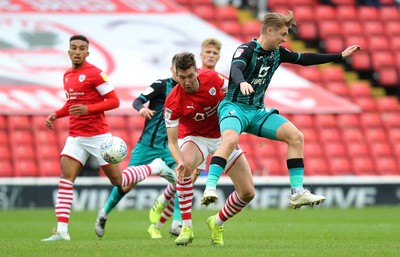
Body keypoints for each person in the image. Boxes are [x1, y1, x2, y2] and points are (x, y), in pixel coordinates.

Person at [201, 10, 362, 209]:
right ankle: (209, 188)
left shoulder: (278, 53)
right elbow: (236, 69)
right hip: (234, 107)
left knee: (296, 137)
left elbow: (305, 58)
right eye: (283, 34)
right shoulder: (246, 49)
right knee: (230, 139)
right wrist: (241, 82)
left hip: (257, 112)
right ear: (270, 31)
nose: (285, 39)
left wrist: (340, 55)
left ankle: (297, 193)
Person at [42, 35, 174, 242]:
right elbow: (71, 104)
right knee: (66, 179)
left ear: (87, 52)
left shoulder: (95, 74)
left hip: (98, 136)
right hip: (75, 136)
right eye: (74, 48)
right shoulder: (67, 75)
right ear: (68, 51)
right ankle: (61, 231)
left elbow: (113, 101)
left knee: (119, 181)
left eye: (81, 48)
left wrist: (88, 108)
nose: (77, 51)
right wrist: (56, 114)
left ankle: (155, 167)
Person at [165, 52, 254, 246]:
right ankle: (186, 227)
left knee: (248, 193)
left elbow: (234, 92)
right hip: (198, 138)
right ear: (176, 75)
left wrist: (235, 119)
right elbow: (172, 142)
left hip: (224, 135)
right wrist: (179, 161)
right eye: (182, 77)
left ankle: (217, 221)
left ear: (197, 71)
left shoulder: (213, 78)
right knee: (184, 168)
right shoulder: (173, 102)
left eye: (190, 76)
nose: (187, 82)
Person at [94, 54, 180, 239]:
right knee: (126, 184)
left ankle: (177, 223)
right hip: (146, 146)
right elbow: (137, 100)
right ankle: (104, 213)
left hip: (169, 146)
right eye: (176, 68)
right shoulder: (160, 85)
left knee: (182, 180)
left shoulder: (188, 90)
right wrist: (141, 109)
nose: (179, 72)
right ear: (172, 68)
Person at [148, 38, 224, 237]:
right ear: (200, 55)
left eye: (215, 53)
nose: (211, 55)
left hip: (213, 133)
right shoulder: (181, 86)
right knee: (186, 175)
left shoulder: (216, 78)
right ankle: (177, 221)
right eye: (208, 52)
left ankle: (165, 210)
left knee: (186, 179)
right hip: (191, 134)